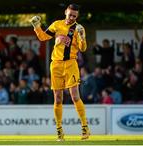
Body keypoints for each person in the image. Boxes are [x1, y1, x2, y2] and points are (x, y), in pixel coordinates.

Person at [30, 3, 90, 141]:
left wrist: (82, 37)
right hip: (56, 64)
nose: (72, 18)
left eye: (74, 16)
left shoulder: (78, 28)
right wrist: (36, 27)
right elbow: (43, 37)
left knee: (75, 96)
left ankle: (85, 127)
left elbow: (83, 48)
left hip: (71, 64)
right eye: (70, 15)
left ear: (77, 16)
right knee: (58, 98)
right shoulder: (57, 24)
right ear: (65, 12)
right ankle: (59, 131)